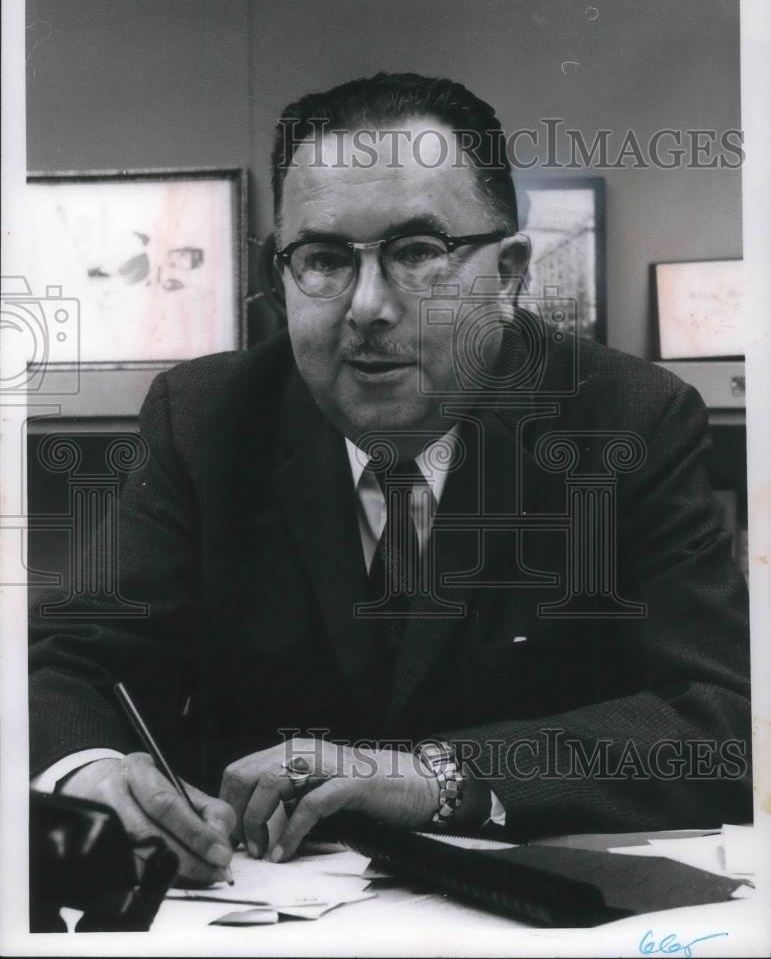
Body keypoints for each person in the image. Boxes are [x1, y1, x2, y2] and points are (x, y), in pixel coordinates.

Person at [29, 72, 751, 885]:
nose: (367, 307)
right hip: (256, 906)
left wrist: (444, 776)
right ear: (284, 272)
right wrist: (85, 768)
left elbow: (723, 719)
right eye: (325, 259)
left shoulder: (624, 419)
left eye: (417, 253)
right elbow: (70, 661)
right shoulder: (206, 416)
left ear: (510, 273)